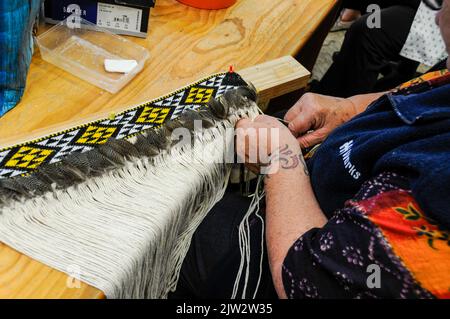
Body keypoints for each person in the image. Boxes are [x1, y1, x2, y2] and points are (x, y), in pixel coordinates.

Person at [171, 0, 450, 299]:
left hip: (278, 268)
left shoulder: (437, 186)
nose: (438, 16)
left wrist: (281, 159)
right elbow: (427, 90)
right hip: (292, 212)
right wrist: (350, 108)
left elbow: (310, 283)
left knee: (180, 227)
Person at [314, 0, 448, 97]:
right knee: (371, 7)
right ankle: (348, 61)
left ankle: (335, 102)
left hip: (433, 15)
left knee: (367, 32)